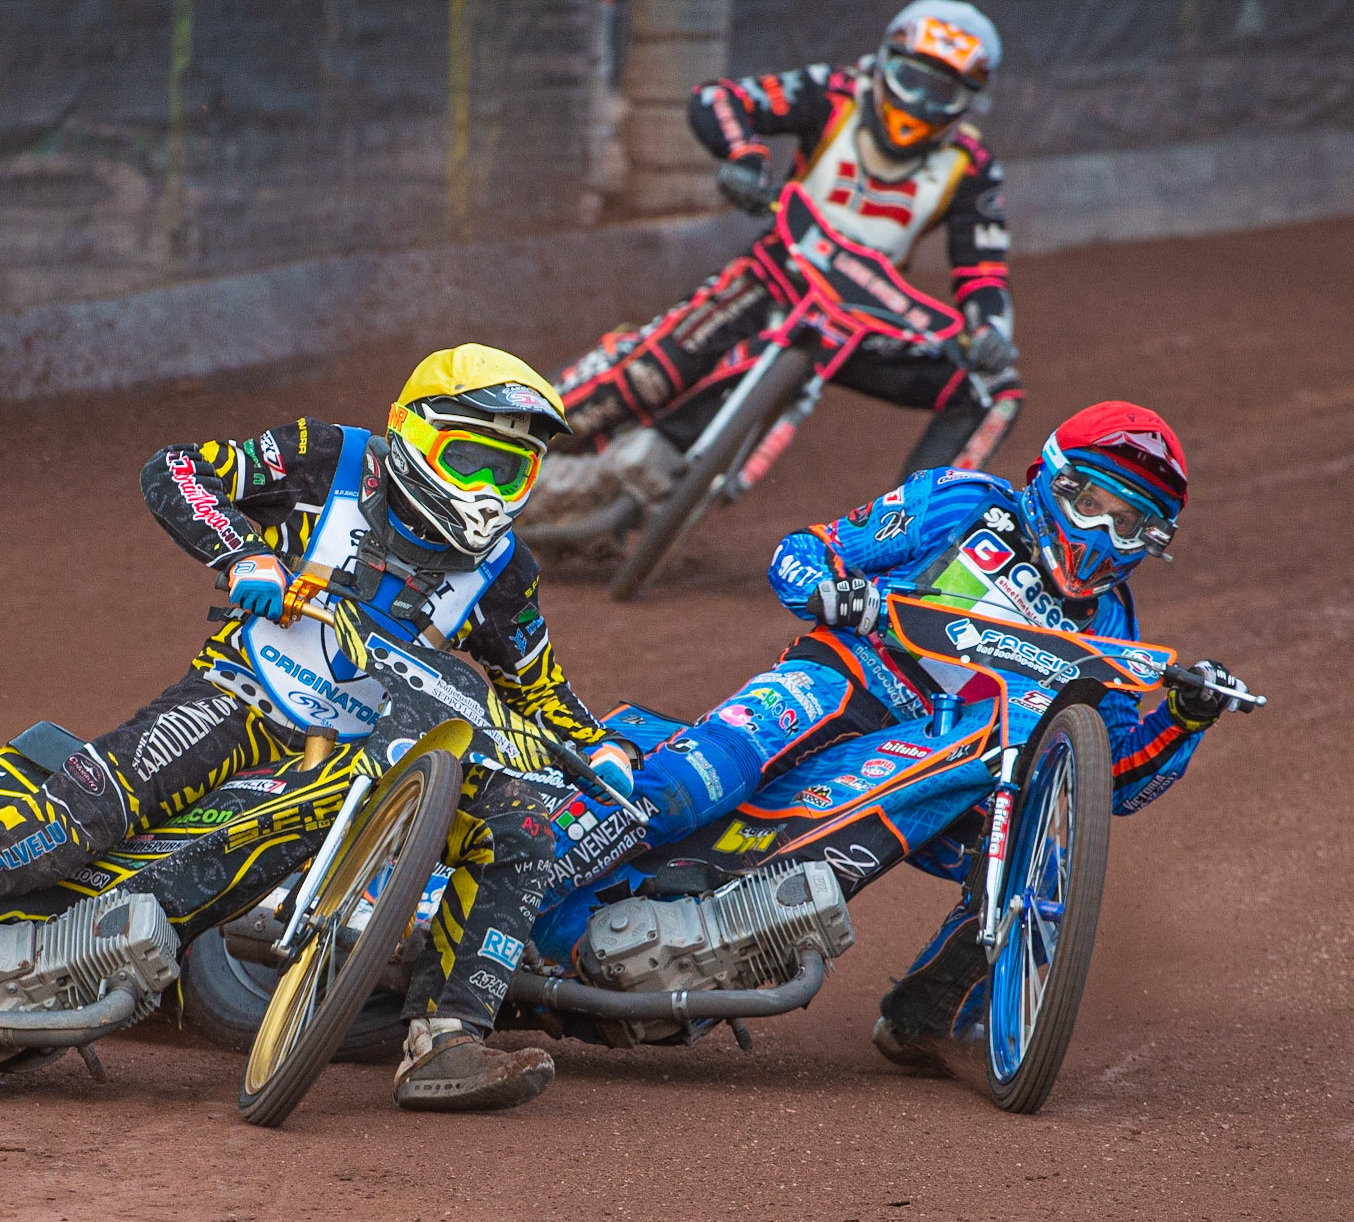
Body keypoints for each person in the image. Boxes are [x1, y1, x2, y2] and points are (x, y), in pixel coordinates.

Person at [0, 343, 635, 1113]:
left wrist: (598, 746)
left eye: (508, 473)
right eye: (469, 458)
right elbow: (179, 469)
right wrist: (244, 551)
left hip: (363, 757)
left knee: (522, 828)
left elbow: (537, 684)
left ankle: (445, 1040)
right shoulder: (328, 456)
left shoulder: (504, 570)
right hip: (240, 698)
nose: (484, 490)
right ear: (412, 431)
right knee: (90, 811)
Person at [528, 401, 1249, 1062]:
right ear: (1050, 479)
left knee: (1043, 853)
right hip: (847, 680)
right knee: (693, 784)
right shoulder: (967, 502)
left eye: (1130, 523)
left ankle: (932, 1018)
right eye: (1091, 504)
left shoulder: (1115, 624)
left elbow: (1106, 783)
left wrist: (1183, 719)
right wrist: (832, 591)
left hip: (954, 758)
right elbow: (803, 552)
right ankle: (513, 884)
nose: (1102, 534)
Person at [533, 0, 1022, 525]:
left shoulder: (972, 165)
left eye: (943, 92)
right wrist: (744, 159)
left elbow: (982, 268)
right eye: (911, 80)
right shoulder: (834, 91)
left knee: (992, 390)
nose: (920, 103)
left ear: (969, 102)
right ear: (883, 63)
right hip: (773, 275)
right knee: (650, 372)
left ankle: (913, 533)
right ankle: (503, 435)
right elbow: (720, 98)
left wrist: (989, 331)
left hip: (861, 323)